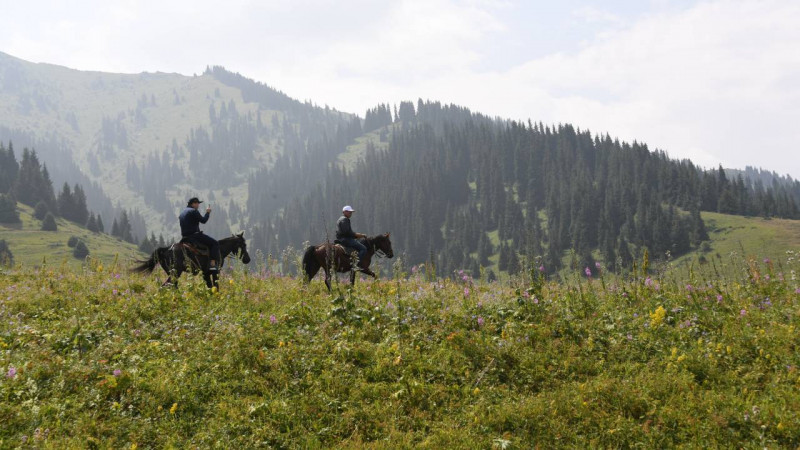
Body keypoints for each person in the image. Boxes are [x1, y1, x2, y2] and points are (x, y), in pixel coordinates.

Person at [179, 197, 220, 272]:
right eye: (198, 203)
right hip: (194, 236)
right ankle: (212, 265)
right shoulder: (193, 211)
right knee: (215, 243)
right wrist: (207, 212)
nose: (198, 205)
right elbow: (203, 221)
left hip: (184, 237)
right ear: (193, 203)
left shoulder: (182, 212)